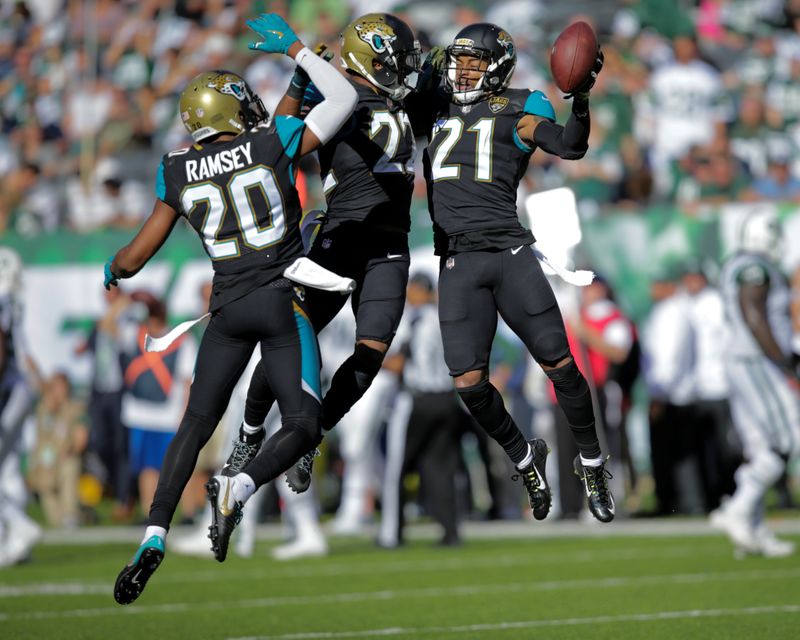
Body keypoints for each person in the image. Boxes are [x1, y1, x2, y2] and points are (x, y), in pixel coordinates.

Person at [110, 13, 358, 605]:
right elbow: (343, 96)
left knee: (194, 426)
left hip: (225, 313)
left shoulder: (176, 170)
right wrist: (300, 52)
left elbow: (136, 255)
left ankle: (153, 535)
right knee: (302, 423)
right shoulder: (272, 142)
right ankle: (241, 485)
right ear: (232, 111)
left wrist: (112, 270)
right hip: (279, 302)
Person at [410, 23, 614, 523]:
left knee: (561, 366)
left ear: (498, 66)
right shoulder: (432, 105)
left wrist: (581, 99)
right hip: (456, 260)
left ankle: (592, 463)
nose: (461, 69)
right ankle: (525, 457)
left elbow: (569, 146)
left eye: (473, 61)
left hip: (509, 253)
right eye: (458, 59)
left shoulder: (520, 107)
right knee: (468, 384)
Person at [228, 13, 423, 493]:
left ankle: (310, 437)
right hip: (341, 238)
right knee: (287, 340)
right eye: (388, 61)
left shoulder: (400, 101)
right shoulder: (339, 97)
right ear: (364, 59)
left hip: (390, 246)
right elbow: (281, 138)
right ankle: (250, 434)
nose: (398, 70)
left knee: (371, 354)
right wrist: (299, 77)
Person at [710, 210, 800, 557]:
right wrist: (781, 360)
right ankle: (738, 509)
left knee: (762, 445)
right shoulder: (754, 267)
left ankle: (752, 530)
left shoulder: (738, 262)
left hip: (744, 362)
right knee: (785, 440)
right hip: (756, 362)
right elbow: (754, 313)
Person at [378, 272, 463, 547]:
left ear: (418, 290)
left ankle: (392, 534)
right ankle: (451, 531)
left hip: (419, 399)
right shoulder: (444, 319)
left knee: (397, 468)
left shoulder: (416, 319)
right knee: (441, 467)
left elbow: (400, 364)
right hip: (447, 398)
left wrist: (368, 359)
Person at [0, 246, 43, 568]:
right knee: (9, 464)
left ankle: (18, 525)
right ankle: (11, 540)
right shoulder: (13, 299)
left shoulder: (4, 299)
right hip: (20, 386)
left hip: (9, 388)